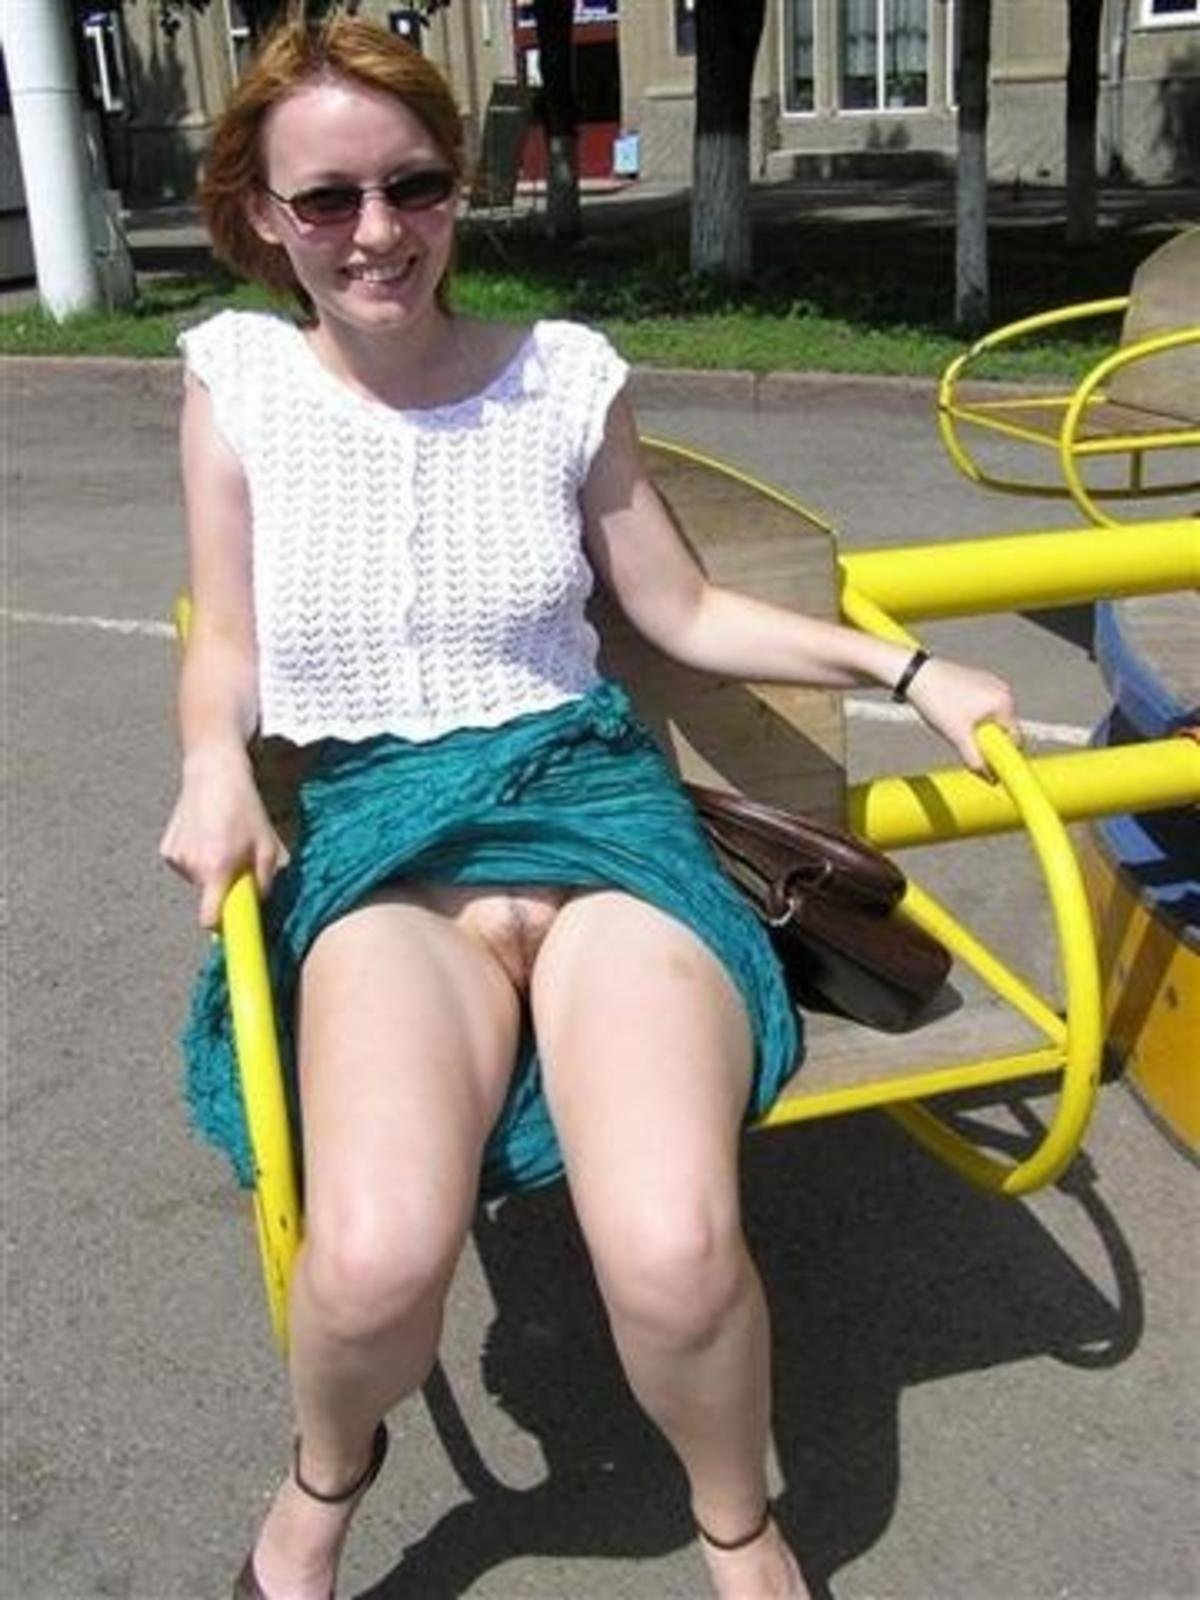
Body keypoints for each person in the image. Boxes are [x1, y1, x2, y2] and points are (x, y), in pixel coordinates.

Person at [160, 18, 1020, 1600]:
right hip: (387, 854)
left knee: (676, 1253)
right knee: (370, 1266)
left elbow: (681, 611)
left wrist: (913, 670)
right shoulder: (241, 387)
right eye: (328, 198)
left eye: (413, 185)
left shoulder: (560, 377)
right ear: (264, 214)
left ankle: (737, 1525)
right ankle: (326, 1474)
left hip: (599, 821)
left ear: (456, 183)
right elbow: (227, 640)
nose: (377, 231)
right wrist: (215, 760)